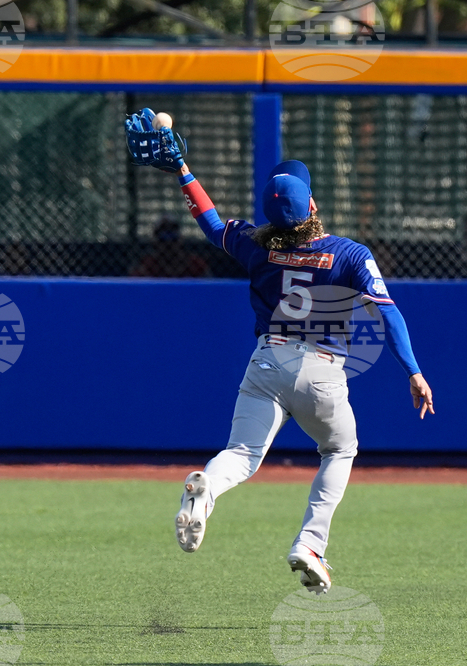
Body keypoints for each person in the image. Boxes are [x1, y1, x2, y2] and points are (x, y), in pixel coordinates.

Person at [169, 159, 434, 593]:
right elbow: (389, 313)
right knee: (339, 449)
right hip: (320, 370)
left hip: (267, 361)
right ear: (312, 206)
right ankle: (310, 545)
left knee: (240, 452)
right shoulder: (349, 254)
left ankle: (206, 488)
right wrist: (414, 371)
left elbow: (210, 222)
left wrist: (183, 171)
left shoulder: (254, 244)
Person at [130, 215, 209, 277]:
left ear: (180, 238)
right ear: (155, 240)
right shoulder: (147, 265)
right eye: (163, 237)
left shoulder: (195, 264)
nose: (169, 241)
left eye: (173, 236)